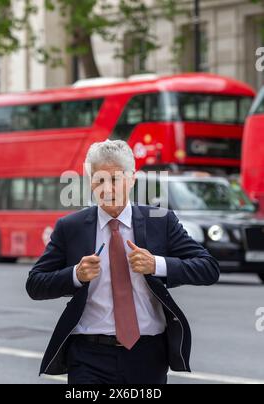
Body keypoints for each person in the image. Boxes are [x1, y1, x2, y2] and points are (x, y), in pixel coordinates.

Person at [26, 140, 220, 384]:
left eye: (115, 179)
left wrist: (157, 265)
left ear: (132, 179)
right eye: (99, 180)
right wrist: (76, 274)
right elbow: (35, 284)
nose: (107, 188)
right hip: (89, 355)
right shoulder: (71, 227)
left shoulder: (160, 221)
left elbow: (209, 268)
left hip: (147, 355)